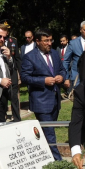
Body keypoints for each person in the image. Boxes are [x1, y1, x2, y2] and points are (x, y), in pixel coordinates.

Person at [20, 28, 66, 161]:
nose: (49, 43)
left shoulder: (55, 54)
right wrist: (43, 81)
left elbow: (62, 70)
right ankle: (58, 163)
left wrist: (61, 77)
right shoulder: (30, 57)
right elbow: (25, 77)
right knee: (49, 133)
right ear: (37, 41)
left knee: (48, 133)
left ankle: (45, 158)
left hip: (55, 100)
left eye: (51, 40)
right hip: (41, 101)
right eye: (46, 41)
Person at [63, 21, 85, 91]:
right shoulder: (73, 43)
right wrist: (66, 78)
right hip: (77, 77)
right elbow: (66, 61)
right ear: (80, 30)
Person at [3, 21, 21, 122]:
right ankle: (3, 116)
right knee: (3, 96)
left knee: (14, 97)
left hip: (13, 72)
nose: (7, 31)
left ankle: (17, 118)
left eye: (7, 29)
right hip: (2, 73)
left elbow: (18, 58)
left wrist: (20, 73)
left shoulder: (13, 41)